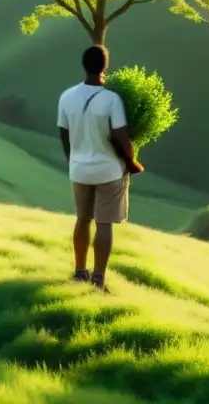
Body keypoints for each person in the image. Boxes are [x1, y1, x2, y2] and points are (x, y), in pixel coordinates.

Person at [58, 44, 143, 291]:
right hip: (108, 171)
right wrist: (132, 162)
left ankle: (79, 272)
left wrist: (71, 159)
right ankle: (98, 278)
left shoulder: (67, 96)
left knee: (82, 220)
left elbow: (63, 133)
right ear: (105, 67)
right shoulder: (111, 100)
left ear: (84, 65)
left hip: (79, 170)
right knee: (103, 224)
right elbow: (121, 137)